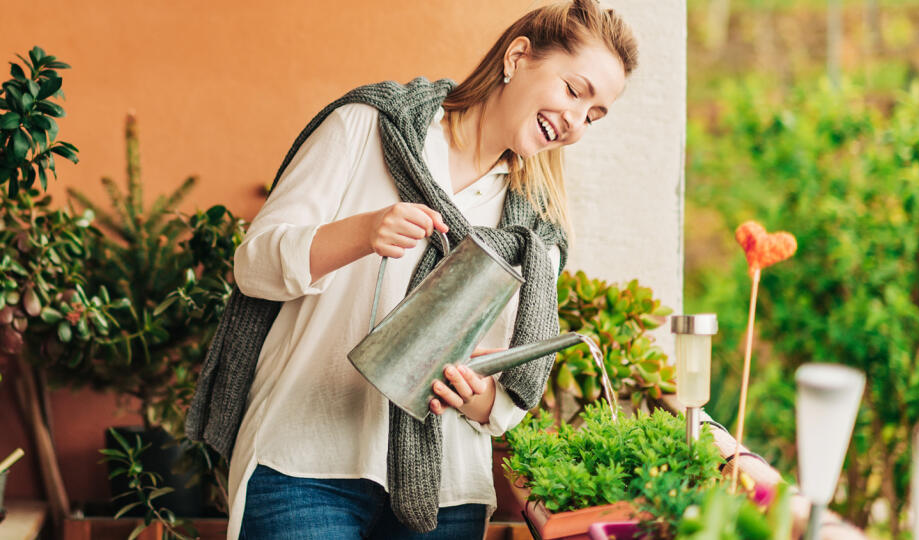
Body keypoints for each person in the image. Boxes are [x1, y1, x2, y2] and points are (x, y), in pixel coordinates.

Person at [186, 1, 638, 538]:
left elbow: (507, 390)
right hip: (304, 465)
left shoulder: (537, 230)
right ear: (518, 57)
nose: (576, 123)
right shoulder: (369, 128)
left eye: (593, 115)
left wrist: (478, 399)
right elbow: (253, 266)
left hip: (445, 493)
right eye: (573, 90)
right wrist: (362, 232)